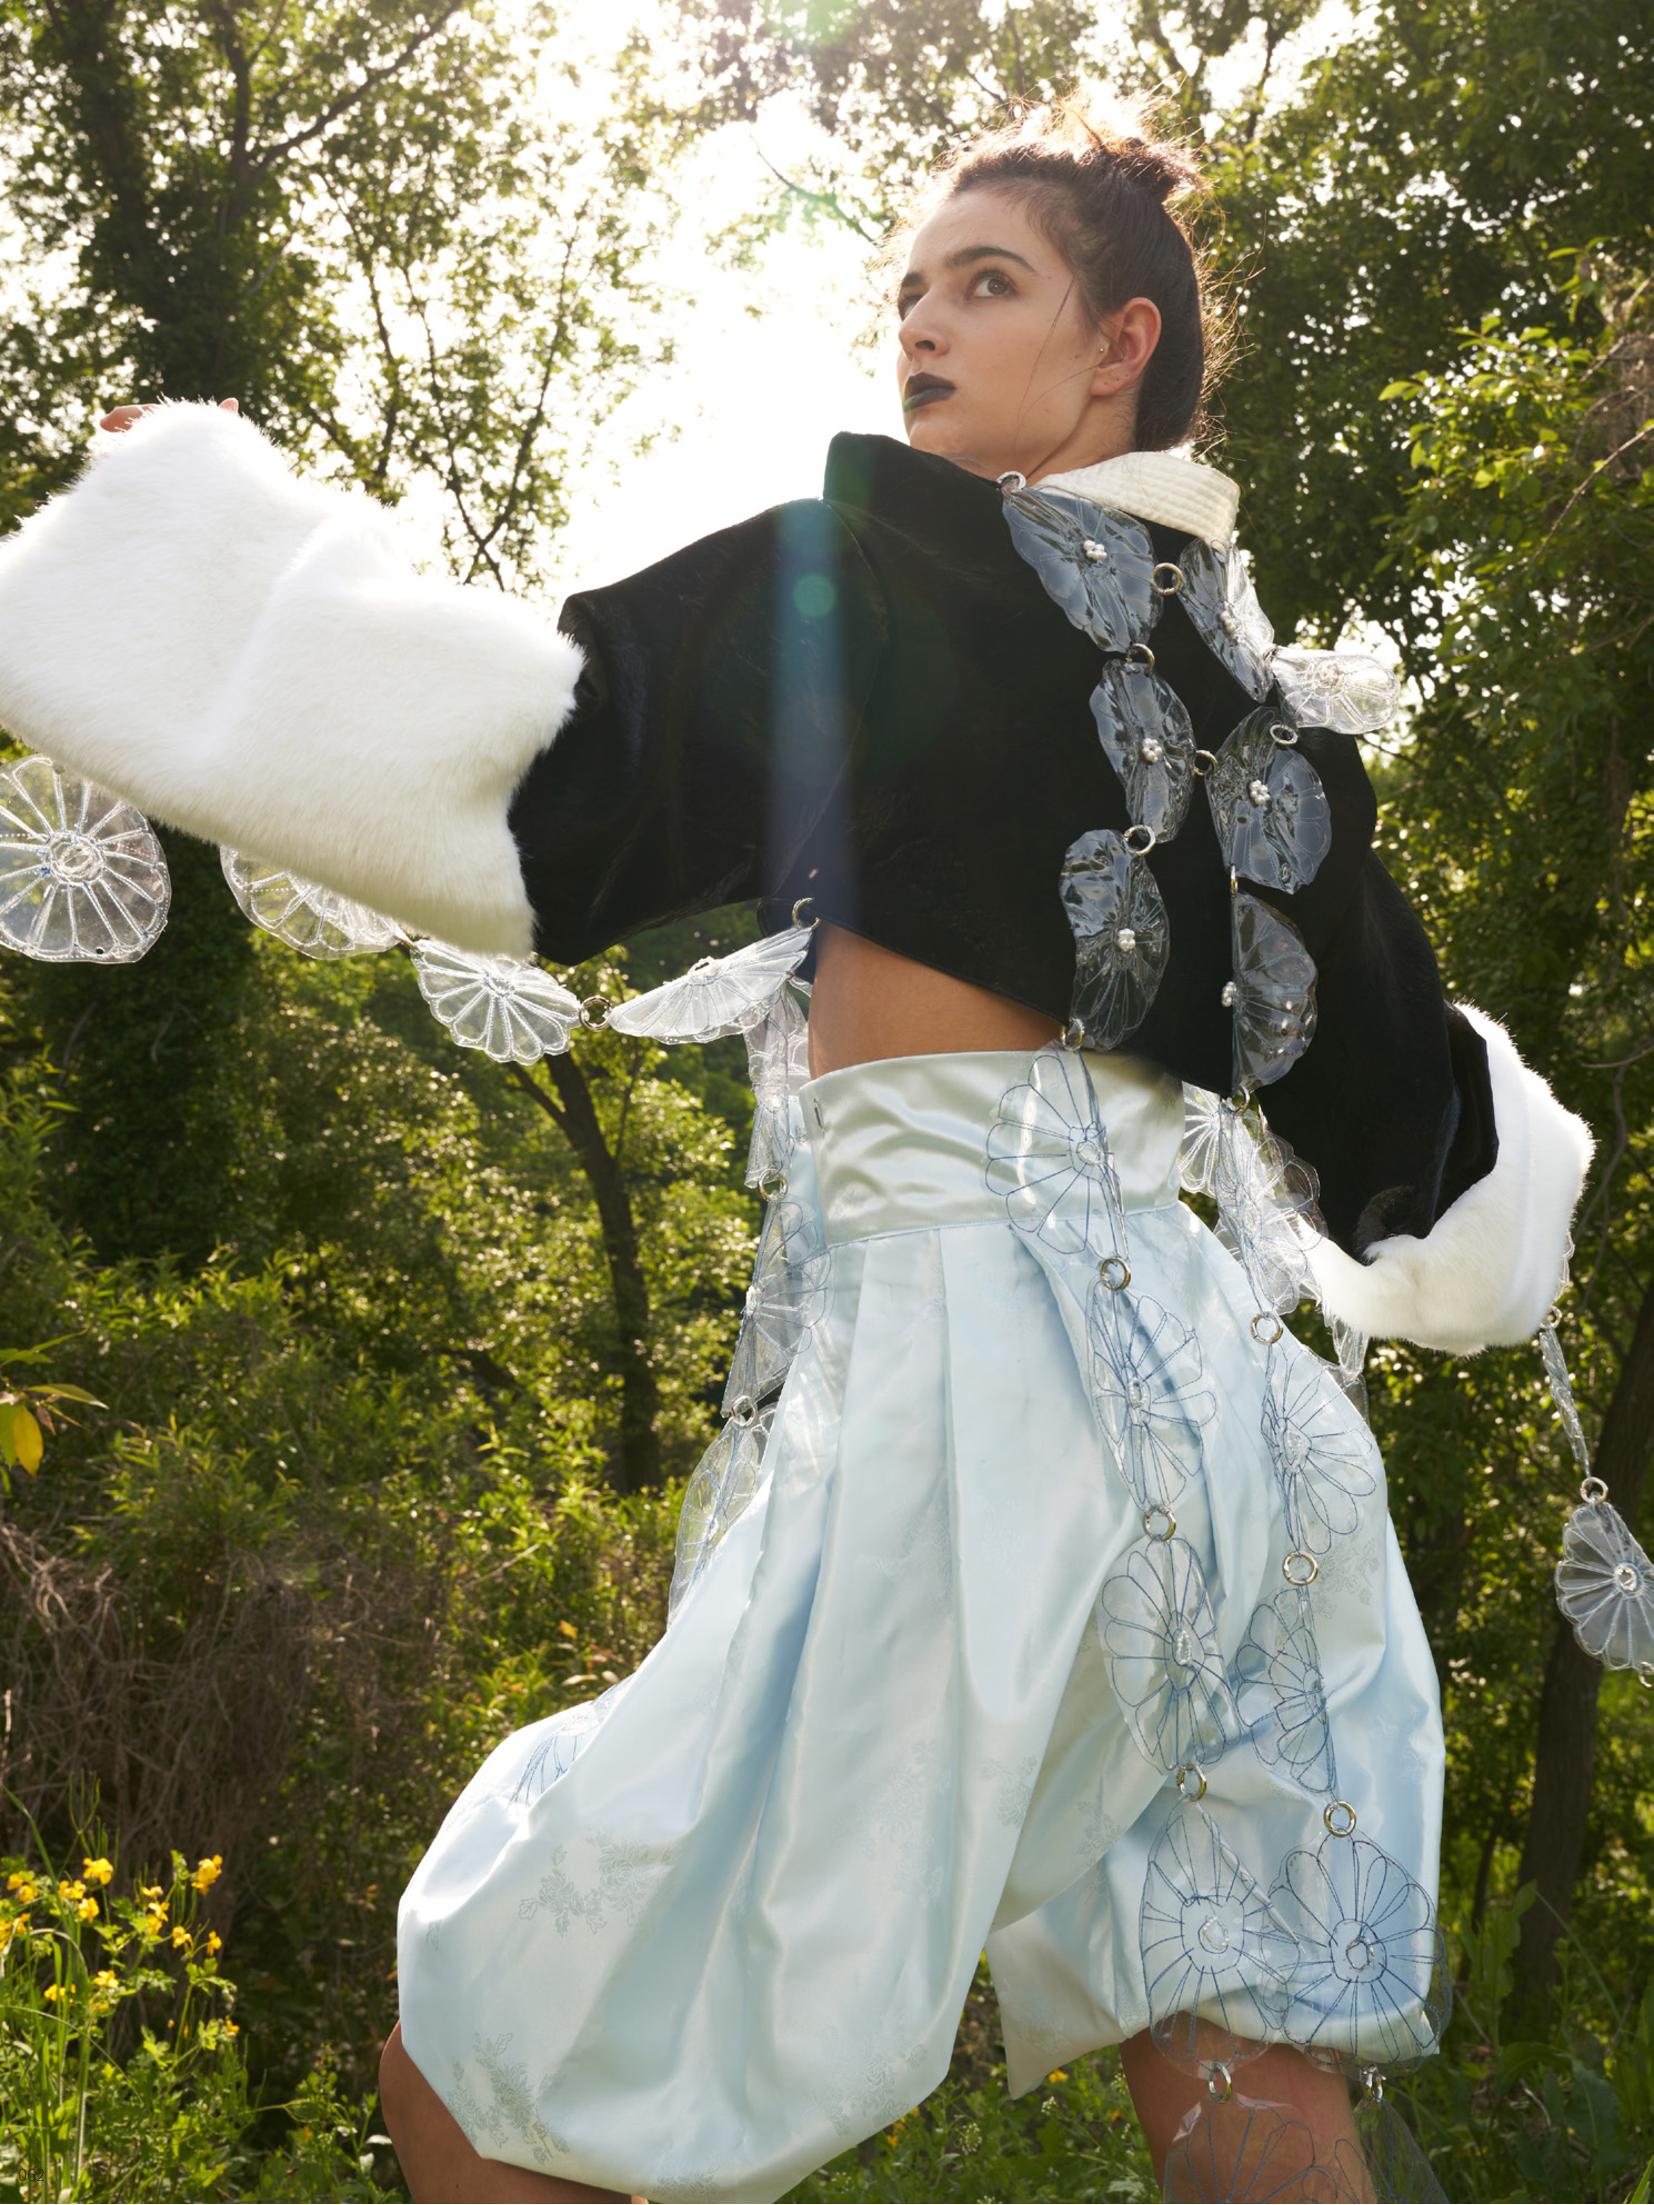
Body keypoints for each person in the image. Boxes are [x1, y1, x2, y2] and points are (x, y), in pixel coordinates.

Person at [0, 82, 1596, 2205]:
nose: (920, 324)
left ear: (1118, 342)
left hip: (971, 1408)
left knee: (498, 2047)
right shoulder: (1258, 711)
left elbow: (543, 769)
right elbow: (1409, 1119)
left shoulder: (880, 571)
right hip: (1231, 1449)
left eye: (985, 285)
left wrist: (182, 573)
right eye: (909, 289)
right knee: (1236, 2066)